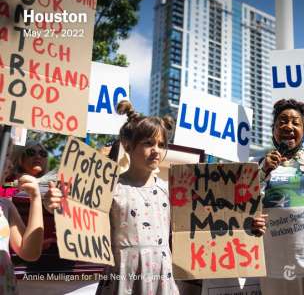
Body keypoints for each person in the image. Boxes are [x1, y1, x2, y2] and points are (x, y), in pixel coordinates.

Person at [45, 100, 180, 294]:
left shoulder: (168, 190)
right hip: (122, 278)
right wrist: (55, 205)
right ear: (127, 145)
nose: (156, 150)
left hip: (161, 278)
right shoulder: (110, 187)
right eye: (148, 143)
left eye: (161, 144)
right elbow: (77, 217)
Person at [259, 99, 304, 295]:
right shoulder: (256, 164)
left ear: (303, 131)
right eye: (282, 121)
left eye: (295, 122)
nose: (289, 126)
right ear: (273, 129)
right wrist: (264, 170)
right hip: (275, 267)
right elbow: (244, 205)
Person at [0, 127, 44, 294]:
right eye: (5, 155)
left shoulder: (5, 206)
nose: (10, 164)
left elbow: (30, 252)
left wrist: (36, 198)